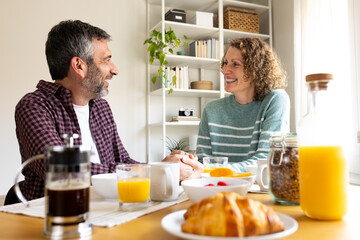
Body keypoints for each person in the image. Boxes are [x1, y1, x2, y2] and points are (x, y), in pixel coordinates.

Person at [15, 20, 202, 201]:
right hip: (52, 218)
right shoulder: (34, 106)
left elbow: (123, 161)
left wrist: (167, 167)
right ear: (79, 66)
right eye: (106, 60)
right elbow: (64, 172)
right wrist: (156, 171)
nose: (114, 70)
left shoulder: (100, 107)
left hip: (105, 210)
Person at [196, 38, 290, 173]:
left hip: (258, 190)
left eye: (235, 64)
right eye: (225, 63)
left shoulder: (275, 99)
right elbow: (202, 162)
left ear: (255, 69)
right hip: (218, 187)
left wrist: (219, 171)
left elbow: (268, 158)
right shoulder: (211, 110)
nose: (225, 70)